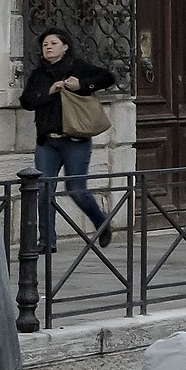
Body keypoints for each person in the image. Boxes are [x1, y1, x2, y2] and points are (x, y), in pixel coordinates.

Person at [18, 27, 117, 253]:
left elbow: (108, 77)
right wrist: (49, 91)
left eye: (53, 43)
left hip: (75, 140)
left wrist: (80, 85)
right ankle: (46, 242)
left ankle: (102, 223)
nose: (48, 47)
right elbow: (27, 101)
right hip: (47, 142)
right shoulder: (38, 74)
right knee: (44, 189)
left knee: (76, 189)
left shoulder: (77, 67)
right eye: (45, 45)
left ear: (65, 47)